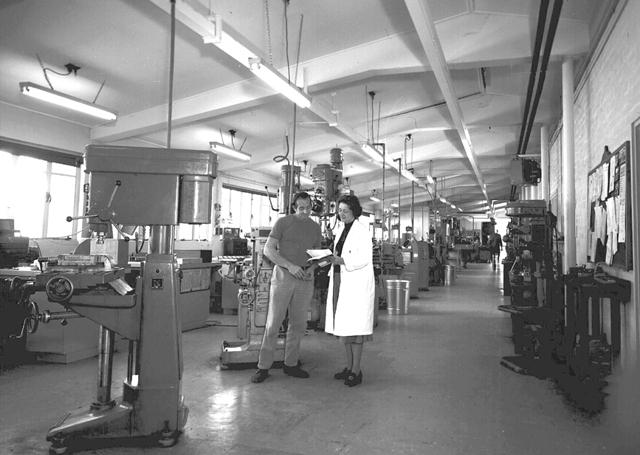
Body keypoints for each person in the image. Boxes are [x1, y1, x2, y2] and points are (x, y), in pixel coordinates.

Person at [251, 192, 322, 383]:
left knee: (298, 324)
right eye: (301, 208)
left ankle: (290, 364)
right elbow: (268, 249)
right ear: (293, 207)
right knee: (274, 323)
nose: (305, 211)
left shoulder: (315, 227)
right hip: (284, 276)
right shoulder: (283, 223)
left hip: (305, 278)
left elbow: (318, 255)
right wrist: (289, 266)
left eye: (308, 207)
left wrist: (313, 268)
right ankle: (263, 366)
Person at [325, 194, 375, 387]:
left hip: (356, 284)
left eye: (345, 211)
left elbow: (364, 258)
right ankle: (348, 366)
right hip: (340, 280)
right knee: (345, 328)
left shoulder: (362, 231)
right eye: (339, 211)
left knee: (356, 330)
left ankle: (356, 370)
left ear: (354, 210)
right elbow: (338, 253)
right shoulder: (340, 230)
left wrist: (342, 261)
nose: (342, 214)